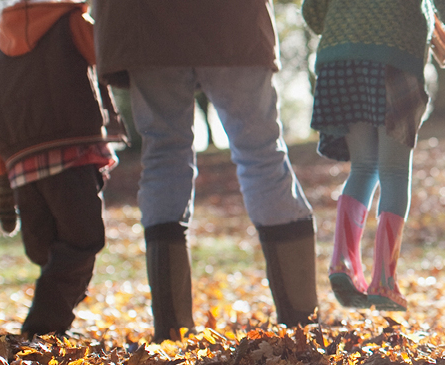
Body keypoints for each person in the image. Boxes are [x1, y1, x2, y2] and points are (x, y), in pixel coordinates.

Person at [93, 0, 319, 341]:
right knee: (261, 153)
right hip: (231, 17)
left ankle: (172, 331)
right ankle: (301, 323)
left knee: (164, 155)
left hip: (144, 19)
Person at [301, 0, 445, 311]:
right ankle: (384, 281)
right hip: (393, 56)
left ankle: (342, 264)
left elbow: (313, 12)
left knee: (364, 166)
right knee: (393, 171)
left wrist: (349, 22)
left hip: (338, 59)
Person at [0, 0, 127, 336]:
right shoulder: (70, 22)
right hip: (70, 156)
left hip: (21, 168)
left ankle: (51, 330)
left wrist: (1, 177)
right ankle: (42, 330)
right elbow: (108, 57)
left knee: (47, 251)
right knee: (82, 240)